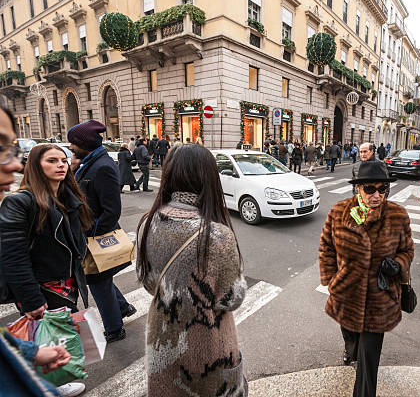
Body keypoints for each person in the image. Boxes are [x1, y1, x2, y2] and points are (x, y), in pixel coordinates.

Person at [136, 144, 248, 396]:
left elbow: (147, 282)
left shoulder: (148, 222)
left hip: (162, 338)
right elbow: (232, 297)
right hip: (208, 346)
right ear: (209, 178)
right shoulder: (217, 234)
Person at [0, 143, 92, 397]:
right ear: (35, 166)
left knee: (58, 335)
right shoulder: (20, 202)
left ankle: (54, 379)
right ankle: (49, 384)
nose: (61, 165)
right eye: (51, 161)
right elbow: (13, 256)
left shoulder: (67, 198)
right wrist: (31, 299)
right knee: (44, 337)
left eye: (63, 160)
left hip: (66, 283)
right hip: (42, 286)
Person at [319, 161, 414, 397]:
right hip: (347, 294)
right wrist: (332, 281)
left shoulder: (397, 216)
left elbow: (407, 251)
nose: (377, 195)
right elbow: (326, 248)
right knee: (351, 334)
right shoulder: (339, 212)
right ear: (358, 189)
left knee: (368, 360)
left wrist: (398, 265)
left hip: (379, 299)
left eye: (383, 189)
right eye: (370, 189)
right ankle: (350, 348)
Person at [68, 120, 135, 344]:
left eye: (73, 143)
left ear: (84, 144)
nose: (70, 147)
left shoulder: (103, 166)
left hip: (93, 236)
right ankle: (123, 307)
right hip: (86, 234)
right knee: (100, 277)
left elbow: (111, 211)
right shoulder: (88, 162)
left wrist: (92, 236)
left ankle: (115, 329)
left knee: (97, 281)